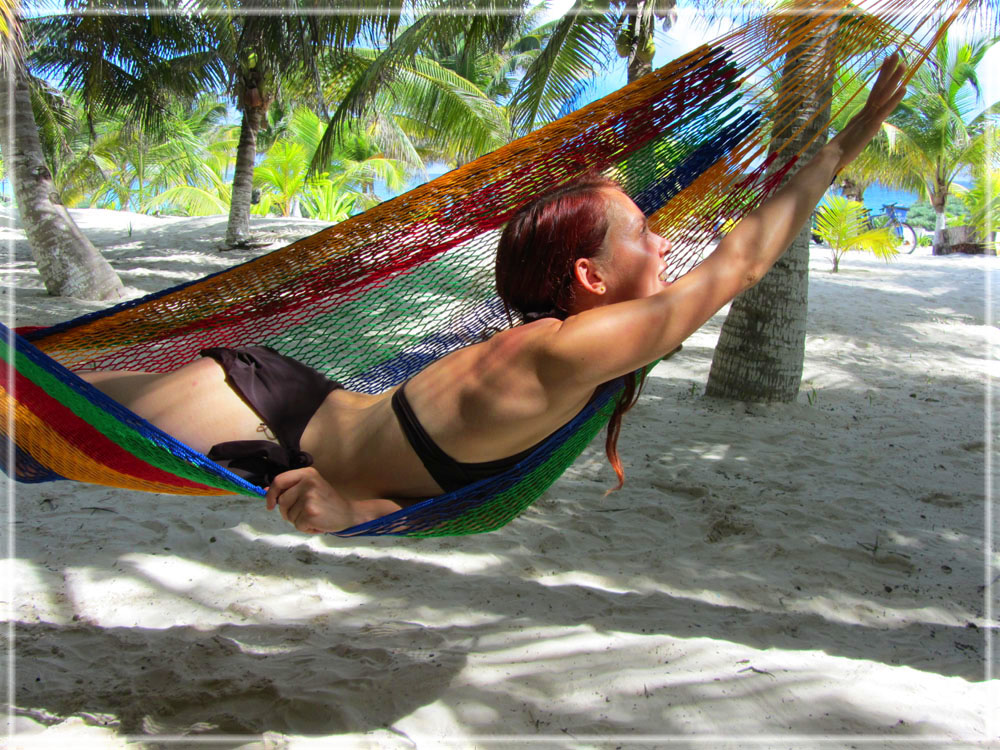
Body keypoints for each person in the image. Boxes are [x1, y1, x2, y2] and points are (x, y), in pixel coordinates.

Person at [83, 54, 908, 535]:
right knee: (46, 406)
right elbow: (742, 261)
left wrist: (353, 510)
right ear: (589, 277)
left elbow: (420, 495)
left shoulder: (566, 350)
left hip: (295, 429)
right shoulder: (569, 350)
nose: (665, 244)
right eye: (643, 232)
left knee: (50, 407)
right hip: (271, 406)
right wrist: (850, 139)